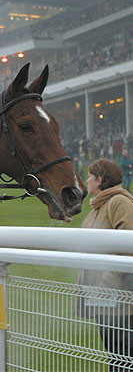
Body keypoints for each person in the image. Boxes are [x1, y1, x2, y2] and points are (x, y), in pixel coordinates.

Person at [78, 158, 133, 370]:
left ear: (99, 180)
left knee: (123, 358)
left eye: (89, 177)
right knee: (115, 357)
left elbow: (127, 244)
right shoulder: (97, 207)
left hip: (121, 302)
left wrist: (107, 281)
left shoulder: (120, 202)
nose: (86, 180)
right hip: (102, 300)